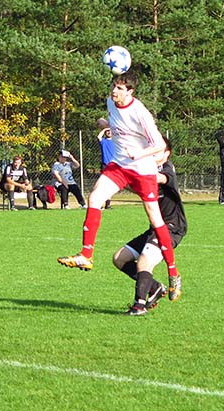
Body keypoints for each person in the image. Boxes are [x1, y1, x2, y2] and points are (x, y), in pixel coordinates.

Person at [57, 70, 181, 300]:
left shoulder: (140, 112)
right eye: (114, 86)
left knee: (155, 219)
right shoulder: (110, 102)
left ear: (130, 91)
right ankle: (86, 255)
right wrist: (105, 124)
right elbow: (116, 125)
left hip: (142, 168)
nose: (114, 91)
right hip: (120, 165)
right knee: (95, 198)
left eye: (120, 88)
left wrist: (139, 153)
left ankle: (173, 273)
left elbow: (158, 144)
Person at [112, 138, 187, 315]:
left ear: (166, 154)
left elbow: (159, 178)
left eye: (157, 152)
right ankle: (155, 288)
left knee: (144, 262)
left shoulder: (167, 168)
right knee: (119, 259)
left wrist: (134, 172)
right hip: (155, 228)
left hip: (172, 227)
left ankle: (139, 305)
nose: (153, 155)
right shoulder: (146, 168)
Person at [96, 118, 114, 209]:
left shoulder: (116, 141)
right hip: (105, 165)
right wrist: (105, 129)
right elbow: (99, 137)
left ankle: (108, 204)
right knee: (104, 185)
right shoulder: (104, 141)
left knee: (111, 185)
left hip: (114, 165)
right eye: (107, 132)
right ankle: (104, 203)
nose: (108, 132)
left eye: (110, 131)